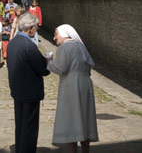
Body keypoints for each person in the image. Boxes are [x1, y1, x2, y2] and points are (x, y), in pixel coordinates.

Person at [46, 24, 98, 153]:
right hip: (85, 85)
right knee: (84, 119)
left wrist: (49, 61)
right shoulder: (80, 47)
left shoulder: (66, 47)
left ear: (64, 34)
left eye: (56, 34)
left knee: (72, 121)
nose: (54, 37)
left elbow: (60, 68)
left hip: (72, 86)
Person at [7, 12, 50, 153]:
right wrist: (47, 61)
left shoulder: (12, 43)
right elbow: (42, 69)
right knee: (30, 127)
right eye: (36, 27)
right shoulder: (29, 45)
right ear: (30, 28)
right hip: (30, 92)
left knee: (20, 125)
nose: (36, 29)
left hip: (17, 90)